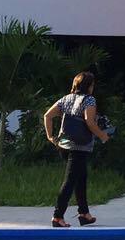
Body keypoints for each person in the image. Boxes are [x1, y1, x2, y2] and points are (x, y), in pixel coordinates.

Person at [43, 71, 110, 227]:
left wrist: (50, 136)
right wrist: (103, 136)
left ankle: (84, 214)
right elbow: (90, 122)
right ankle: (57, 216)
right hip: (79, 146)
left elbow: (47, 116)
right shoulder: (89, 100)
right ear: (89, 86)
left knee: (81, 178)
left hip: (64, 145)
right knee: (70, 181)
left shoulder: (66, 99)